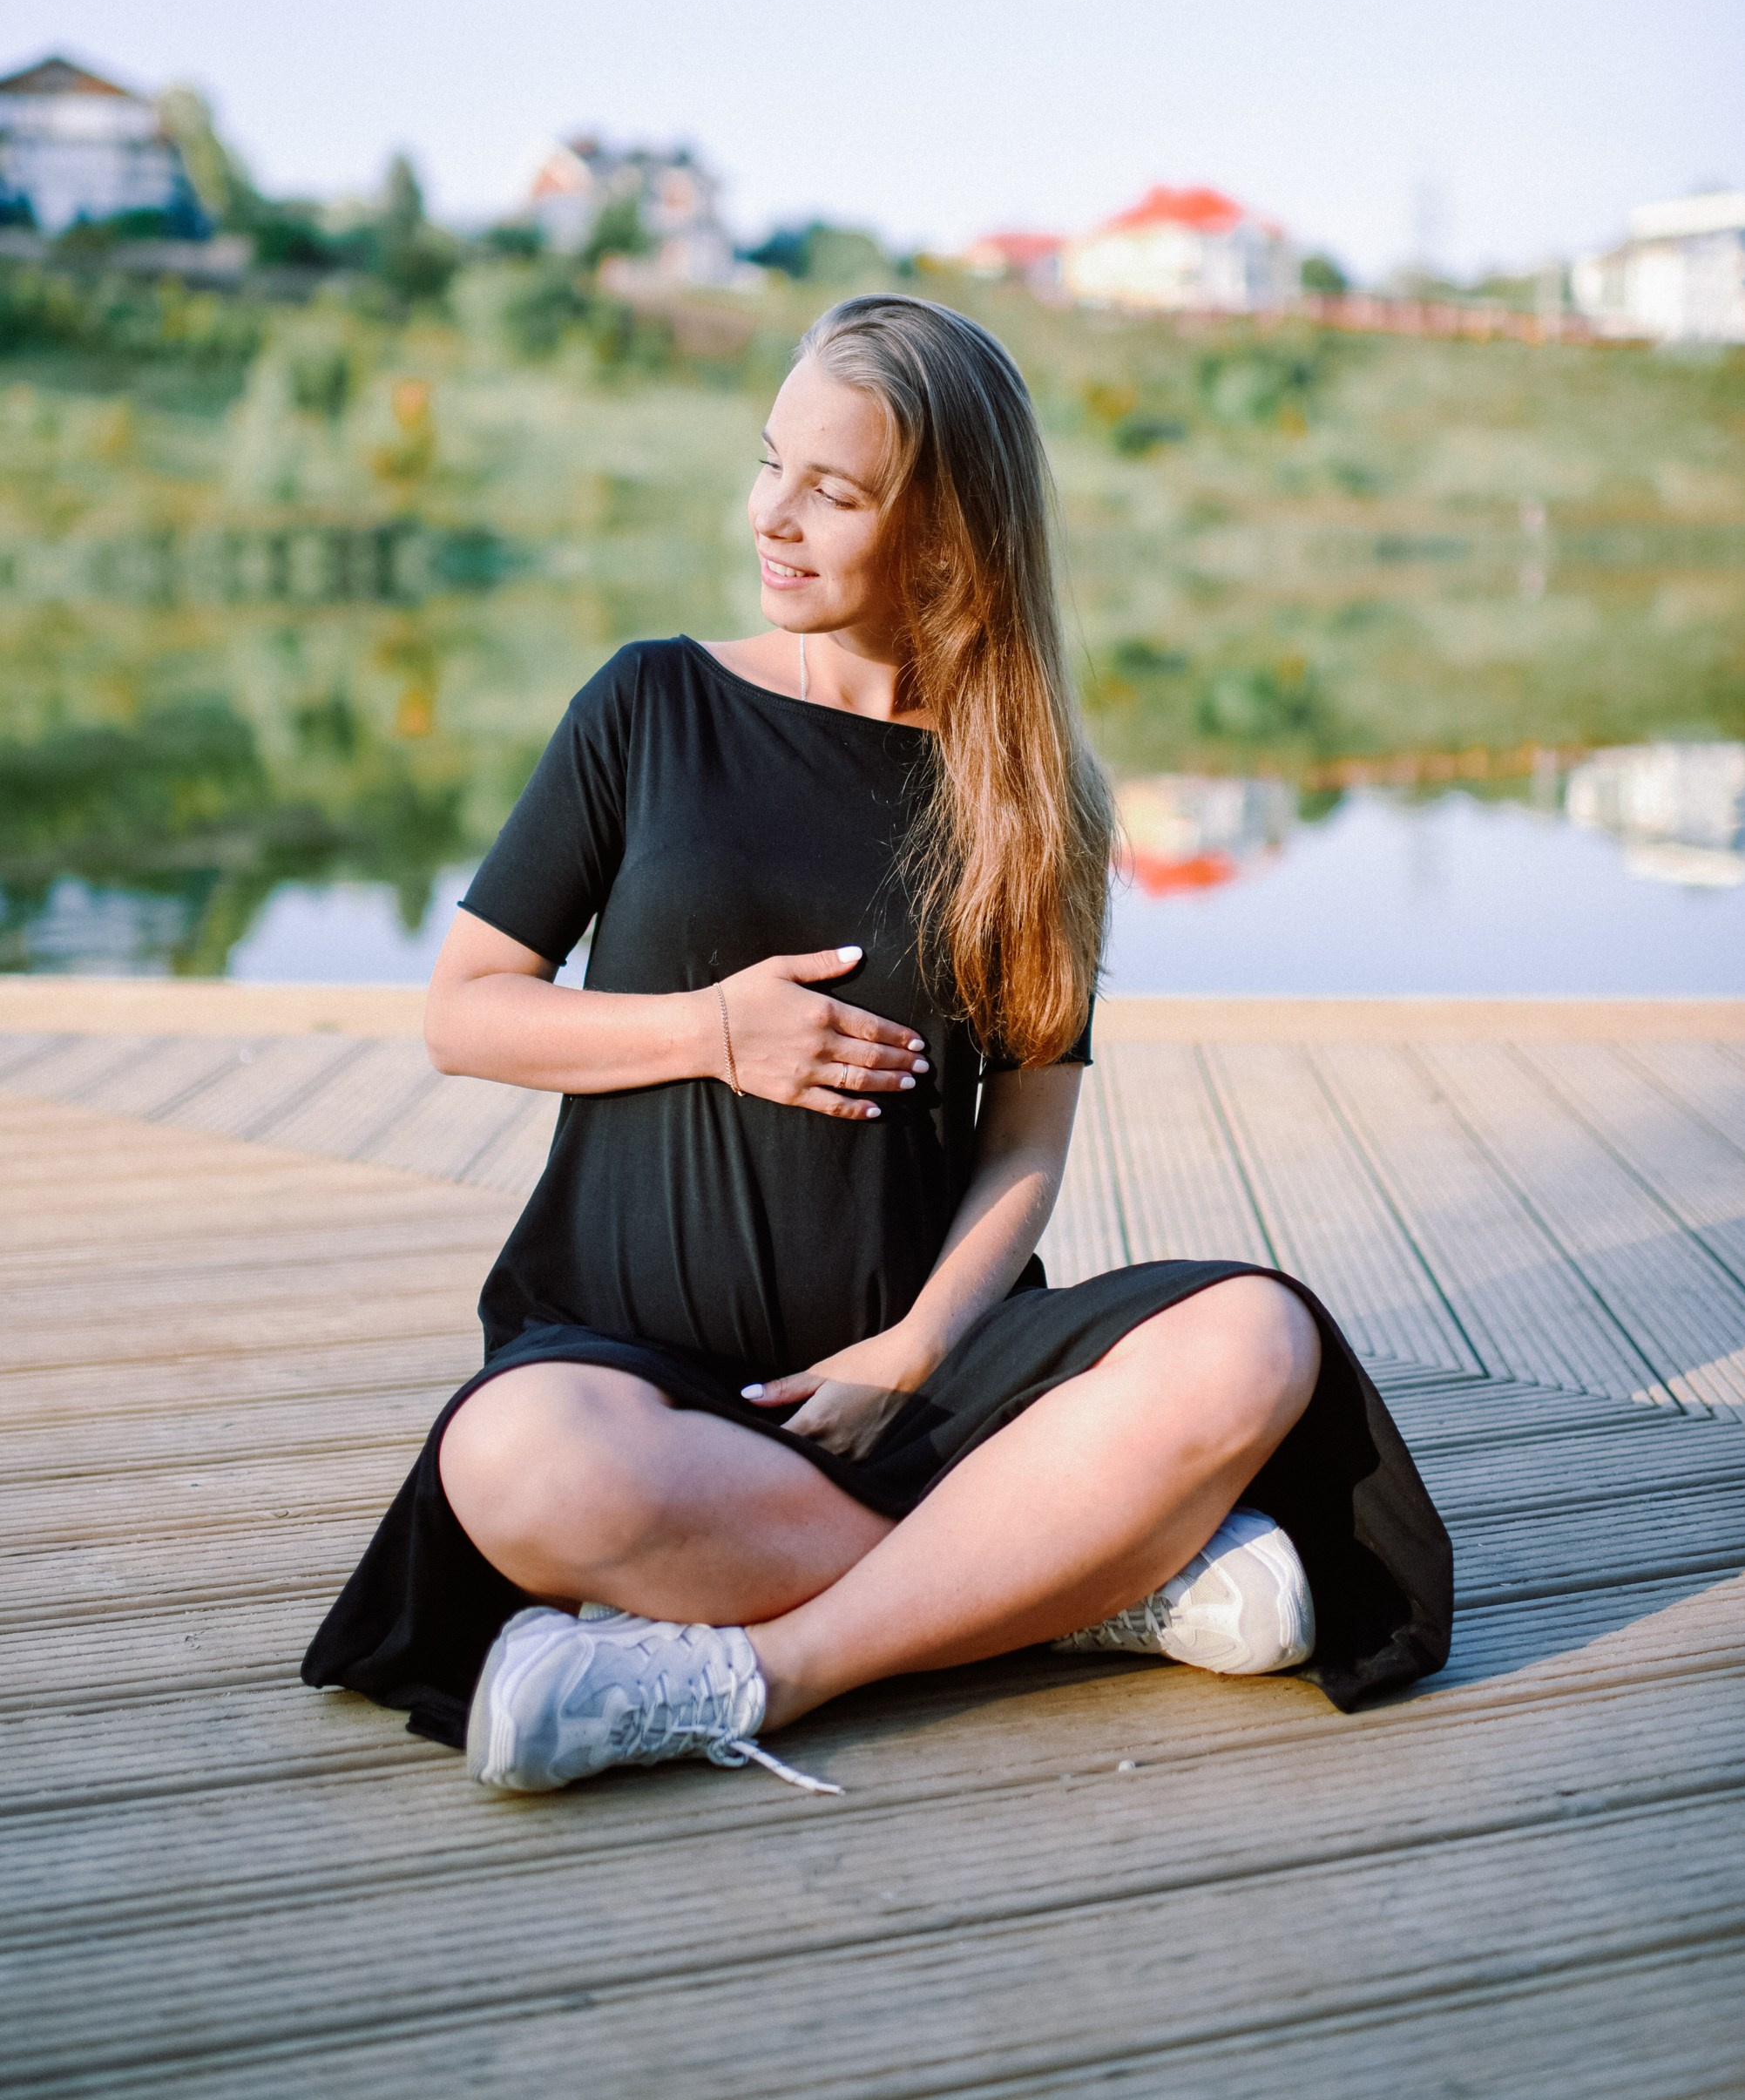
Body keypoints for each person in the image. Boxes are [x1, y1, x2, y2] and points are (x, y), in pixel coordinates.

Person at [303, 295, 1451, 1792]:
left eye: (831, 492)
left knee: (1259, 1339)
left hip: (927, 1387)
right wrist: (716, 1031)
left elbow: (1026, 1146)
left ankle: (771, 1669)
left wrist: (912, 1355)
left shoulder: (1032, 800)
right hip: (643, 1380)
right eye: (769, 463)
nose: (773, 518)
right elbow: (465, 1012)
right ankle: (1087, 1584)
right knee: (515, 1462)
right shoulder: (651, 704)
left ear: (951, 536)